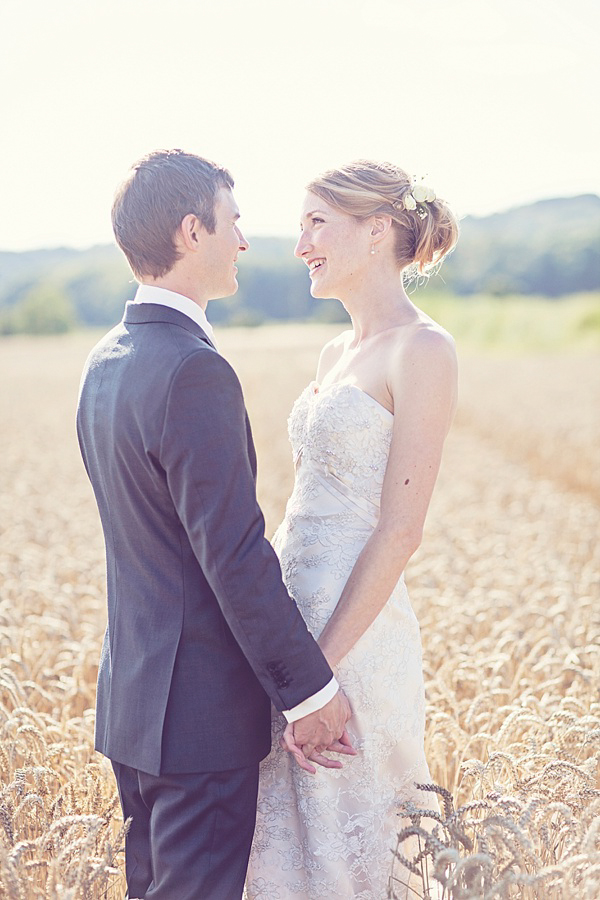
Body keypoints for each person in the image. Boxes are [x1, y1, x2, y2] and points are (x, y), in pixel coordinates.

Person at [76, 149, 353, 900]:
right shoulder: (194, 368)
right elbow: (232, 556)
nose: (244, 242)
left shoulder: (106, 361)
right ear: (192, 231)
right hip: (197, 723)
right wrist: (310, 691)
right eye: (234, 222)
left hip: (134, 709)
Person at [245, 160, 459, 899]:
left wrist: (317, 674)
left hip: (352, 636)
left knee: (353, 828)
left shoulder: (423, 350)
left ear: (376, 232)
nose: (299, 241)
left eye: (315, 223)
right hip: (289, 621)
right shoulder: (333, 352)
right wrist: (274, 642)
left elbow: (400, 532)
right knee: (285, 831)